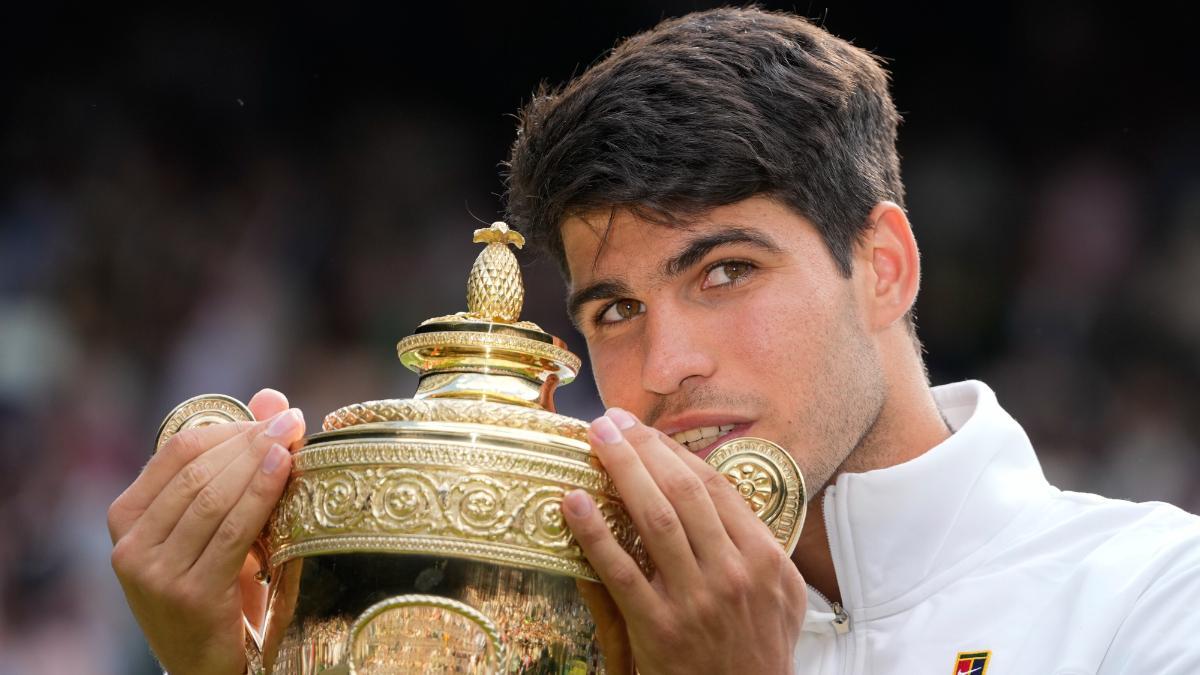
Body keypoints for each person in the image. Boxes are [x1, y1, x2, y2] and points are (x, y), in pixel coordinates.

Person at [109, 7, 1200, 674]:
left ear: (885, 266)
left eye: (726, 272)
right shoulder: (535, 616)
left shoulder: (1151, 596)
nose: (667, 364)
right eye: (615, 310)